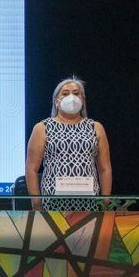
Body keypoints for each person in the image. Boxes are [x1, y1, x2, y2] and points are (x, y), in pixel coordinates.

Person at [25, 76, 112, 211]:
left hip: (89, 203)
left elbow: (104, 169)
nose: (71, 97)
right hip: (53, 204)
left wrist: (106, 204)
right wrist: (36, 204)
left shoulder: (96, 127)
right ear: (57, 102)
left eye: (76, 93)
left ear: (82, 100)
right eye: (65, 94)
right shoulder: (42, 128)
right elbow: (31, 169)